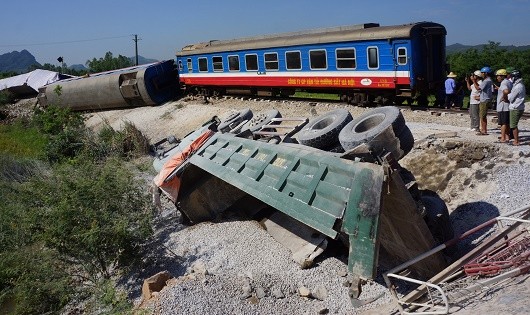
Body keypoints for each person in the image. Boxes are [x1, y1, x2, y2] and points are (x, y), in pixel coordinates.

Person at [507, 69, 526, 146]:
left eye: (512, 76)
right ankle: (516, 139)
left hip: (515, 107)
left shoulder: (517, 86)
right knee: (514, 125)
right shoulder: (521, 85)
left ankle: (516, 141)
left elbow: (511, 98)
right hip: (519, 107)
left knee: (513, 125)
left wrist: (507, 94)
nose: (511, 78)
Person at [473, 66, 493, 135]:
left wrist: (473, 81)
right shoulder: (489, 80)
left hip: (484, 100)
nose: (481, 74)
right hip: (485, 99)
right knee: (483, 116)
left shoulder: (486, 81)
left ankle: (484, 130)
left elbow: (478, 88)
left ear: (486, 73)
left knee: (482, 116)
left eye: (482, 72)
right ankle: (484, 129)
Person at [494, 69, 512, 143]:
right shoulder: (509, 82)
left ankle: (503, 138)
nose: (497, 77)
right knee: (507, 123)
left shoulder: (503, 83)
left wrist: (504, 97)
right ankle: (507, 137)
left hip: (502, 106)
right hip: (507, 106)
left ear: (502, 76)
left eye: (498, 76)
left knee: (503, 123)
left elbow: (506, 91)